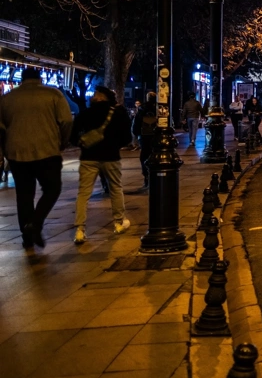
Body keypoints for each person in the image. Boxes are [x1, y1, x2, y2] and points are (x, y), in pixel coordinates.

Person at [0, 68, 74, 249]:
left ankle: (27, 235)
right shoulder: (53, 95)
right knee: (52, 189)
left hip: (17, 153)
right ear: (39, 79)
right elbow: (67, 121)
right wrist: (62, 141)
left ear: (22, 79)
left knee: (24, 195)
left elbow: (1, 127)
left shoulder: (7, 98)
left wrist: (5, 149)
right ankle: (36, 222)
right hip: (47, 151)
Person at [70, 86, 132, 244]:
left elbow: (72, 136)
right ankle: (119, 222)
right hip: (111, 156)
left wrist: (83, 143)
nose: (93, 95)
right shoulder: (118, 113)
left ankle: (80, 229)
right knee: (115, 188)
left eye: (96, 94)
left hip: (89, 157)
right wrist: (114, 144)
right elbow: (127, 137)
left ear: (101, 97)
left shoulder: (85, 113)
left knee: (83, 193)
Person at [132, 92, 158, 191]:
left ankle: (146, 175)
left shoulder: (142, 109)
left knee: (144, 155)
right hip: (156, 135)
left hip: (144, 136)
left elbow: (136, 123)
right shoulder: (159, 108)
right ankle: (154, 174)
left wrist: (137, 133)